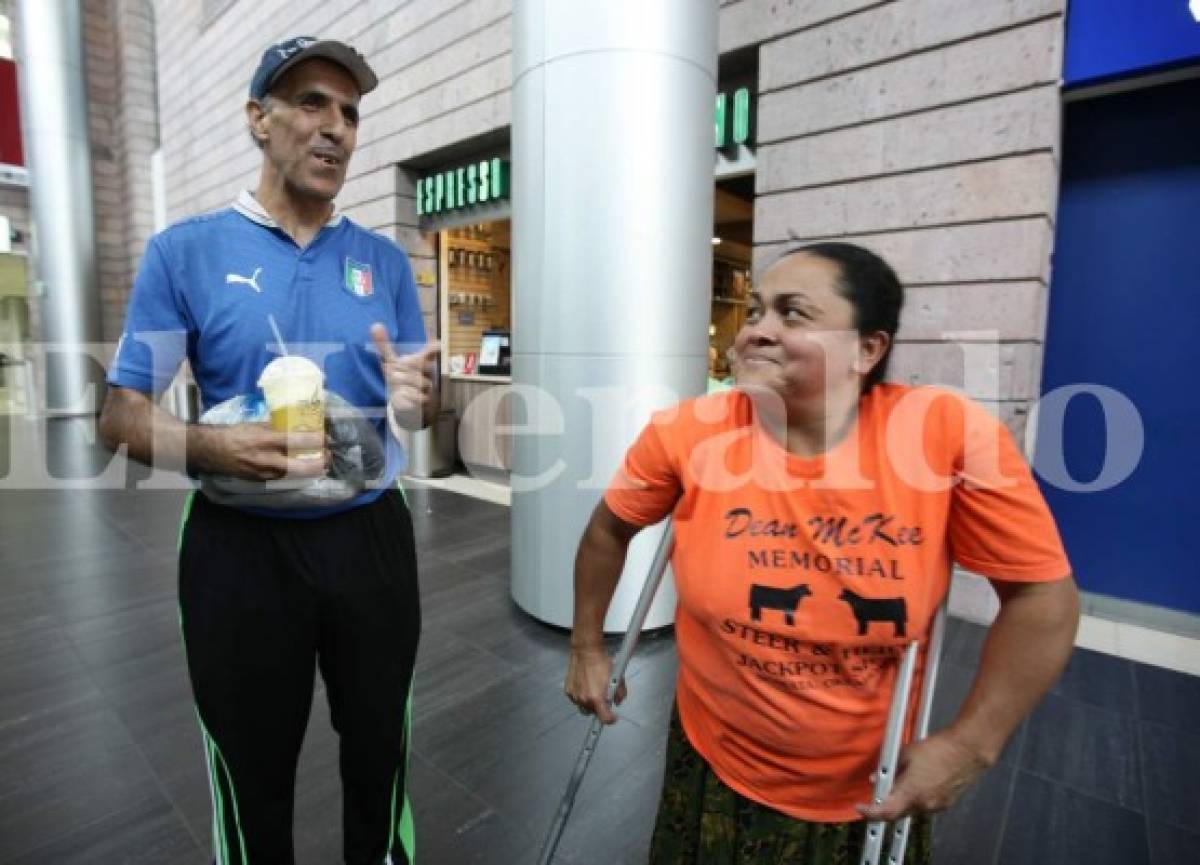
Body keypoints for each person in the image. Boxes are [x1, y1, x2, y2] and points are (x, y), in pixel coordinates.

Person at [565, 242, 1080, 864]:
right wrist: (587, 646)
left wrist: (972, 746)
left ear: (868, 349)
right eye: (755, 312)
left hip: (864, 788)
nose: (757, 330)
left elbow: (1041, 596)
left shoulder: (944, 435)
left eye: (793, 314)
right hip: (712, 751)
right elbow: (607, 531)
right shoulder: (690, 431)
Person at [98, 36, 437, 865]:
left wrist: (416, 405)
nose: (337, 129)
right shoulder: (185, 252)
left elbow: (417, 414)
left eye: (351, 113)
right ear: (259, 119)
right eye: (312, 103)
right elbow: (120, 413)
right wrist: (208, 444)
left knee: (378, 754)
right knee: (252, 772)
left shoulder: (383, 261)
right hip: (238, 552)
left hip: (370, 538)